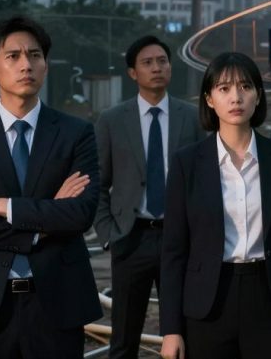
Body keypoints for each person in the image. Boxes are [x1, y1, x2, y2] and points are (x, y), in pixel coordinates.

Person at [0, 15, 103, 358]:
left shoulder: (76, 133)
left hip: (58, 302)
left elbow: (80, 214)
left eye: (35, 55)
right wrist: (41, 226)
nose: (26, 64)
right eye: (13, 56)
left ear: (46, 65)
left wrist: (3, 206)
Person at [159, 52, 271, 359]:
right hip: (208, 302)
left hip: (270, 299)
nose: (236, 97)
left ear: (258, 95)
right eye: (224, 88)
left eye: (245, 86)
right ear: (209, 99)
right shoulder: (187, 163)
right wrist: (171, 329)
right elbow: (174, 252)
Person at [93, 35, 206, 358]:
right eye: (147, 63)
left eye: (162, 61)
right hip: (131, 238)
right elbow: (97, 183)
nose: (157, 68)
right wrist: (109, 235)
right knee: (124, 338)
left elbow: (205, 180)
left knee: (183, 333)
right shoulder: (112, 120)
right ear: (133, 73)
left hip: (179, 238)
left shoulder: (192, 117)